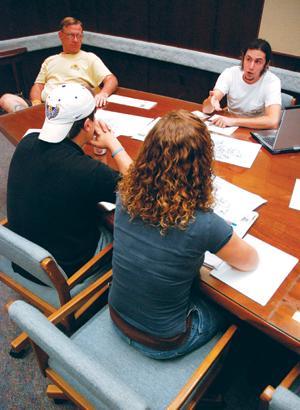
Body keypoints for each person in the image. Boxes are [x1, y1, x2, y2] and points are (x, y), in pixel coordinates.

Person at [108, 110, 258, 360]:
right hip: (163, 341)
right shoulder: (204, 224)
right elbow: (249, 261)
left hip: (116, 315)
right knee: (230, 309)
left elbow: (131, 172)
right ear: (202, 166)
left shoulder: (125, 193)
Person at [7, 83, 131, 283]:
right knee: (124, 233)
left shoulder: (27, 141)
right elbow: (139, 191)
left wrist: (100, 153)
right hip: (61, 270)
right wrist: (113, 143)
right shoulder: (87, 171)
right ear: (88, 125)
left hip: (23, 258)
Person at [0, 16, 118, 113]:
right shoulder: (50, 60)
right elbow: (38, 86)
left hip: (72, 106)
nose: (76, 40)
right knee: (6, 99)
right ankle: (33, 117)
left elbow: (111, 79)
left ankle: (32, 121)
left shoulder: (89, 57)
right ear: (61, 36)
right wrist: (36, 103)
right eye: (71, 35)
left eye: (79, 35)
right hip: (46, 106)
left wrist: (103, 94)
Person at [202, 39, 281, 129]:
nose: (251, 67)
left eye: (258, 61)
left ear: (266, 64)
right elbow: (207, 109)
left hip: (255, 128)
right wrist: (211, 101)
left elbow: (273, 121)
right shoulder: (230, 73)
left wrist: (234, 122)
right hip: (230, 126)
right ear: (243, 58)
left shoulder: (272, 81)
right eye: (248, 59)